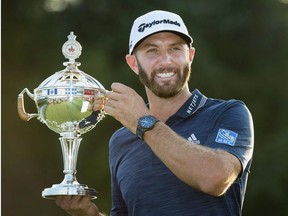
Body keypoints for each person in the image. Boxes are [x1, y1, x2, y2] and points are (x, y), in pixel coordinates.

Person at [56, 10, 254, 216]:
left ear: (190, 56)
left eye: (175, 49)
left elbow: (215, 178)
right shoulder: (121, 140)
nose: (166, 61)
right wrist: (88, 214)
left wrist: (143, 122)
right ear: (133, 63)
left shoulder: (227, 113)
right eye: (152, 51)